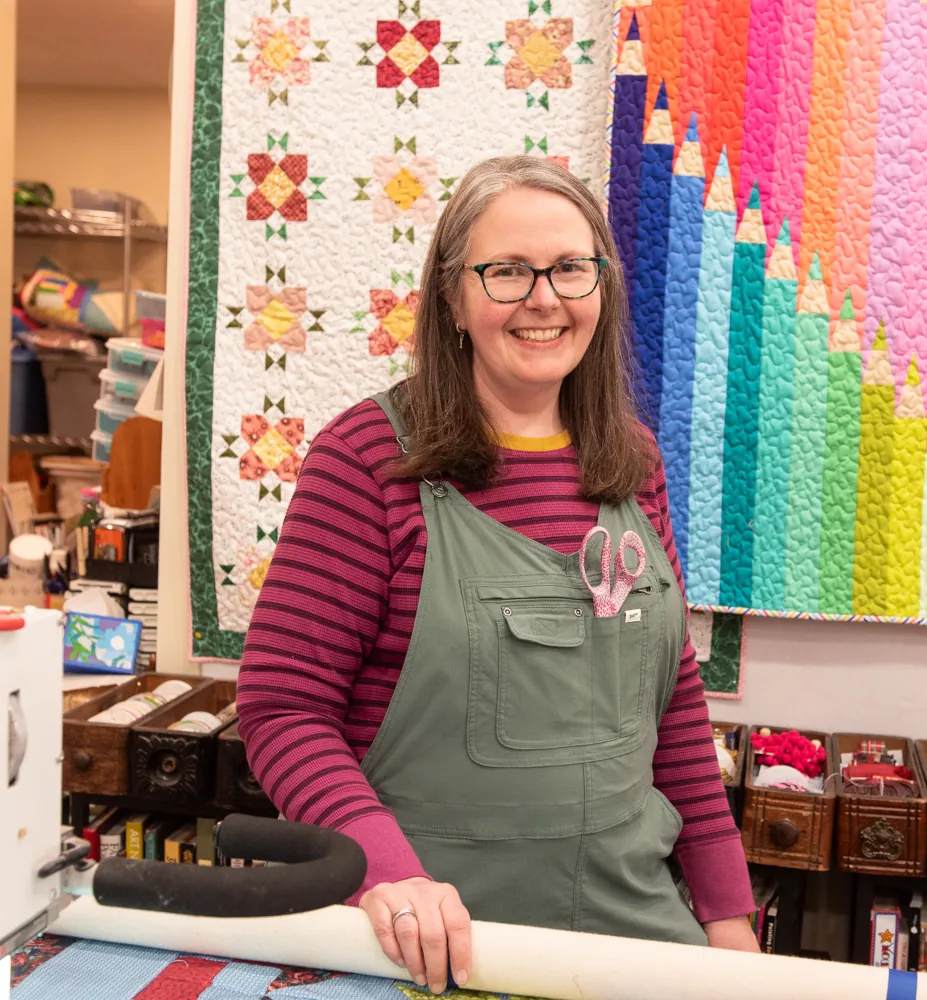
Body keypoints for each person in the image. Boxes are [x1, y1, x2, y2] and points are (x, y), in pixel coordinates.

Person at [237, 155, 759, 992]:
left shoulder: (632, 460)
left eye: (569, 268)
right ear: (453, 297)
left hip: (633, 935)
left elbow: (673, 704)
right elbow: (281, 706)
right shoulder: (367, 460)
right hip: (433, 945)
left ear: (602, 287)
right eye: (506, 271)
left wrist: (726, 917)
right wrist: (388, 876)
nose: (543, 297)